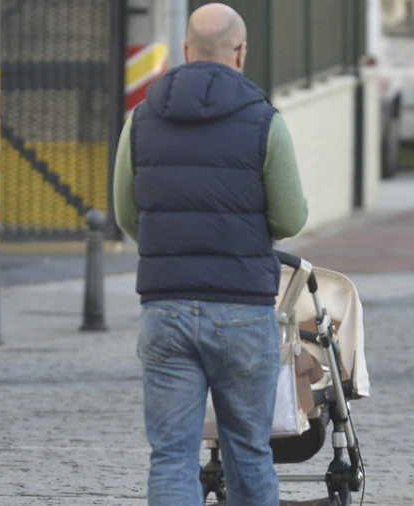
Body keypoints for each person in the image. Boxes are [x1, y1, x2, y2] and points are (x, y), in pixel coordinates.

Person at [113, 3, 308, 504]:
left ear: (185, 50)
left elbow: (126, 214)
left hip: (166, 308)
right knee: (248, 451)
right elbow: (289, 219)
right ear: (241, 52)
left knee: (172, 455)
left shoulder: (141, 119)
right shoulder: (265, 121)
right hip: (242, 311)